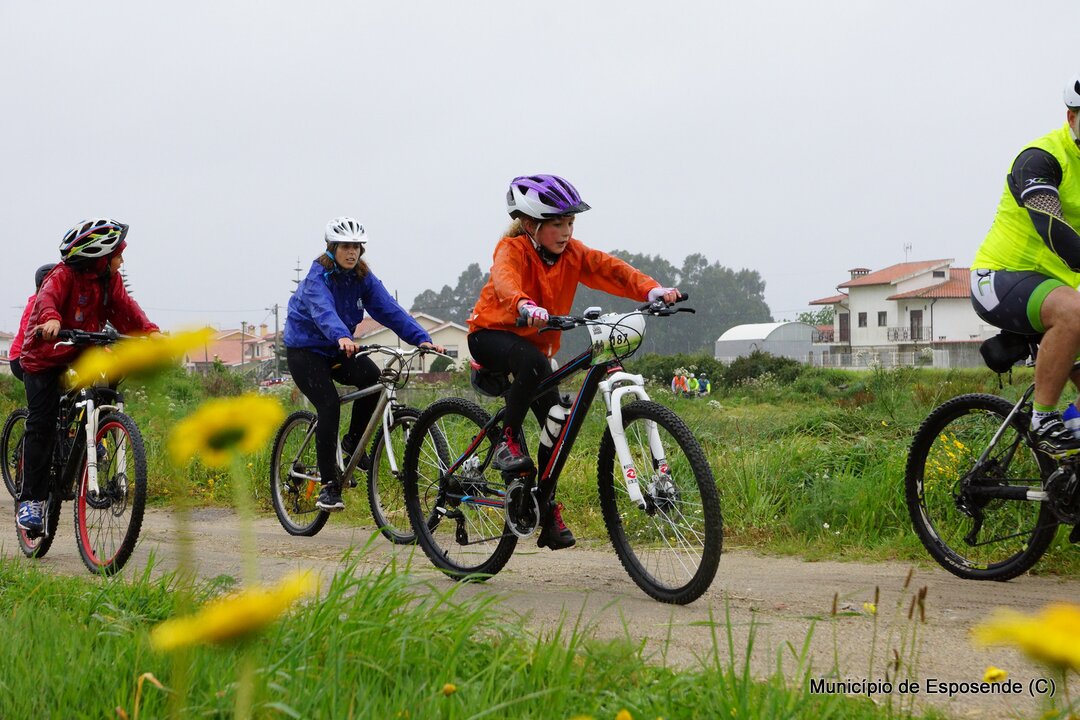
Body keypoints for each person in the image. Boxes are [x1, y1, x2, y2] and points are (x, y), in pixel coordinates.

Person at [467, 174, 679, 550]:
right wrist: (523, 305)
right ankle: (507, 441)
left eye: (570, 222)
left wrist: (651, 289)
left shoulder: (573, 255)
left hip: (534, 353)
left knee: (557, 425)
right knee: (534, 363)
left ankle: (542, 507)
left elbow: (610, 269)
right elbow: (504, 279)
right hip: (491, 336)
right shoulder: (512, 248)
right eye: (557, 224)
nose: (566, 232)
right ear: (530, 224)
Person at [284, 217, 443, 512]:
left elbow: (389, 309)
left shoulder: (362, 277)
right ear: (332, 248)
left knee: (373, 378)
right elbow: (322, 310)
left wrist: (422, 338)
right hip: (306, 350)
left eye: (357, 247)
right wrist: (342, 335)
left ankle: (352, 443)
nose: (352, 252)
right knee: (328, 404)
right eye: (345, 246)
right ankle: (329, 486)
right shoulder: (317, 277)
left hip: (338, 347)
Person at [16, 219, 160, 533]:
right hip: (44, 356)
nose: (121, 261)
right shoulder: (62, 275)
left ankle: (96, 438)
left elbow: (127, 309)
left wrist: (150, 332)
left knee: (109, 380)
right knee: (41, 425)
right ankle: (32, 500)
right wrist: (52, 320)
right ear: (99, 257)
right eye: (118, 255)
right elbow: (46, 301)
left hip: (81, 351)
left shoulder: (110, 281)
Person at [971, 73, 1080, 456]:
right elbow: (1052, 228)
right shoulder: (1040, 159)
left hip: (1056, 291)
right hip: (999, 279)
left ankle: (1067, 471)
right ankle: (1043, 418)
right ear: (1072, 118)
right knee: (1074, 311)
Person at [9, 263, 57, 382]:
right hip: (21, 358)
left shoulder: (56, 303)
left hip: (42, 356)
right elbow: (29, 331)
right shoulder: (34, 305)